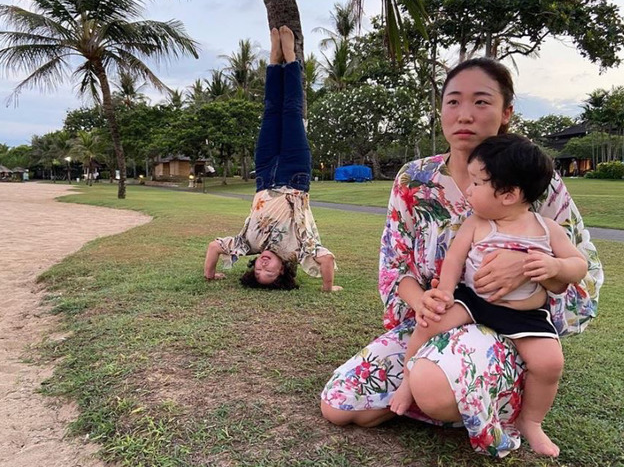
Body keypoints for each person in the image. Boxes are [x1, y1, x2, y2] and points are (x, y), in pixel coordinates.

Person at [320, 58, 603, 457]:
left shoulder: (531, 178)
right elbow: (395, 265)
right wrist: (424, 300)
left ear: (506, 112)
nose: (464, 114)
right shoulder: (415, 179)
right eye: (453, 101)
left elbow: (582, 274)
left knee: (434, 389)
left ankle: (472, 394)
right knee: (339, 408)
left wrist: (531, 268)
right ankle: (450, 395)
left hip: (508, 329)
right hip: (447, 314)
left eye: (481, 102)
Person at [388, 134, 588, 457]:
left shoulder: (547, 228)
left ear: (509, 194)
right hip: (475, 301)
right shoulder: (477, 223)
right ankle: (407, 381)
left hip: (525, 315)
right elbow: (454, 259)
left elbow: (579, 265)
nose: (468, 189)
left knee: (550, 363)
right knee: (429, 324)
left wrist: (555, 266)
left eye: (478, 183)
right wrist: (445, 292)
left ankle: (531, 421)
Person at [204, 26, 342, 292]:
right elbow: (326, 260)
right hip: (295, 176)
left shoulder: (248, 245)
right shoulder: (298, 251)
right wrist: (328, 288)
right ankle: (290, 58)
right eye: (268, 272)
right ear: (283, 270)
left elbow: (214, 247)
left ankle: (273, 60)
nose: (262, 265)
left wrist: (210, 275)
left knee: (270, 112)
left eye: (257, 269)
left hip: (265, 176)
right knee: (290, 112)